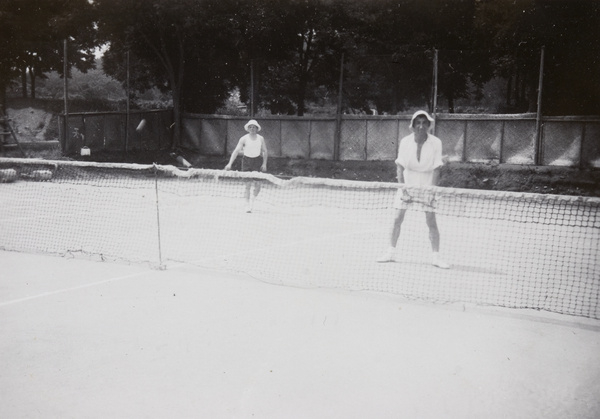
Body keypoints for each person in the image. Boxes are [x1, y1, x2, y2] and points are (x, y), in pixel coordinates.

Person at [377, 110, 450, 269]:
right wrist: (403, 189)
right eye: (418, 123)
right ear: (413, 125)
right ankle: (390, 253)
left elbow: (437, 168)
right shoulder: (405, 142)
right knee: (397, 218)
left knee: (431, 221)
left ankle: (436, 257)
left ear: (429, 125)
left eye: (424, 123)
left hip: (427, 181)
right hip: (408, 181)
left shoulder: (436, 142)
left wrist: (432, 191)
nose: (421, 126)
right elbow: (400, 166)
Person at [224, 119, 268, 212]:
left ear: (257, 128)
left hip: (257, 162)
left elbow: (265, 151)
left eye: (254, 127)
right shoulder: (243, 138)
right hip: (246, 162)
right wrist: (229, 164)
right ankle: (247, 205)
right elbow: (236, 151)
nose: (252, 128)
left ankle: (253, 201)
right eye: (250, 127)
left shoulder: (261, 138)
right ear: (248, 128)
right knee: (247, 185)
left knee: (258, 185)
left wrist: (264, 163)